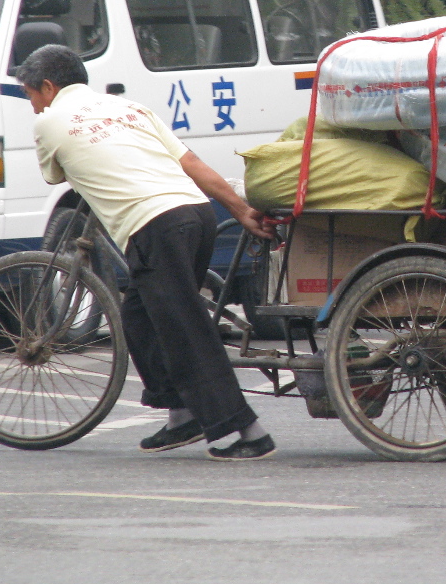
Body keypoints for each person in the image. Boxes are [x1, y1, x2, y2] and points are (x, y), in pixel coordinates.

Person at [15, 45, 277, 460]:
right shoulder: (129, 108)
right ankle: (182, 415)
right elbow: (191, 162)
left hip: (156, 227)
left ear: (47, 87)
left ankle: (248, 432)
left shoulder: (49, 122)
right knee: (138, 318)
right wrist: (239, 209)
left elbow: (54, 176)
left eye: (30, 95)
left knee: (186, 329)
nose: (32, 106)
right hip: (196, 216)